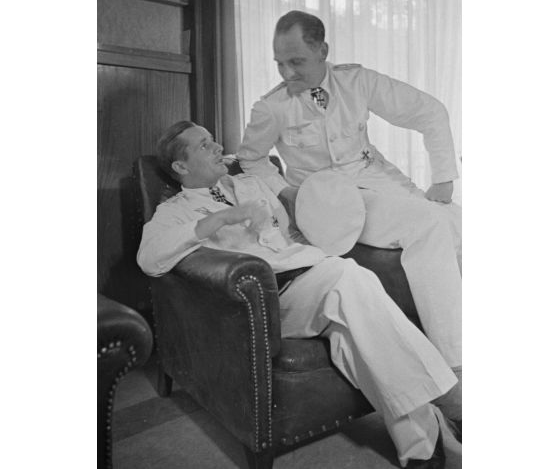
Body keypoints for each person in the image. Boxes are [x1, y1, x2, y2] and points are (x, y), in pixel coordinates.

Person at [138, 120, 461, 469]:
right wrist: (220, 219)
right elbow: (149, 259)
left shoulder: (251, 183)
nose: (217, 147)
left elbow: (296, 226)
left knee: (352, 333)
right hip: (269, 303)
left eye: (214, 140)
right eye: (204, 145)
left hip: (311, 280)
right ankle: (450, 398)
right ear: (181, 167)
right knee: (347, 276)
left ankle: (421, 449)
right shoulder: (174, 211)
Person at [237, 10, 462, 374]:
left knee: (459, 222)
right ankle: (456, 367)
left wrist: (443, 178)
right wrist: (288, 194)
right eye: (280, 63)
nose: (287, 73)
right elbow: (251, 159)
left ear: (323, 50)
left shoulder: (356, 81)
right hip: (328, 205)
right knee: (428, 224)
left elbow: (430, 112)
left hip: (378, 181)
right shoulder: (272, 107)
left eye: (297, 61)